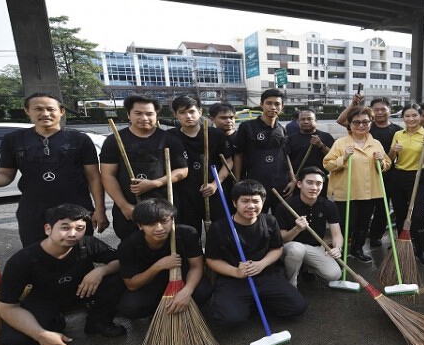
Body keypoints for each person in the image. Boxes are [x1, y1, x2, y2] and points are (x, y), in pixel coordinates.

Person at [0, 93, 108, 247]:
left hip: (77, 207)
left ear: (61, 111)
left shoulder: (79, 139)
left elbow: (94, 177)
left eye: (50, 109)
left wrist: (99, 210)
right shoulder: (13, 140)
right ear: (27, 111)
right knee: (36, 254)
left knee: (79, 255)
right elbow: (5, 174)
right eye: (38, 109)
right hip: (33, 210)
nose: (45, 114)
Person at [0, 204, 125, 345]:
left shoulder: (88, 244)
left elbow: (120, 260)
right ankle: (52, 324)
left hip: (81, 292)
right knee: (14, 341)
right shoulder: (22, 260)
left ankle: (98, 322)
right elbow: (7, 307)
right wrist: (41, 334)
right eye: (65, 228)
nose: (72, 234)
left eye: (79, 228)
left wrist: (102, 270)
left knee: (119, 277)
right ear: (48, 229)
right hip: (44, 301)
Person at [205, 179, 306, 327]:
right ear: (234, 203)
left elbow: (277, 248)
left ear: (263, 203)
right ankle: (245, 303)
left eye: (255, 201)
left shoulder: (269, 221)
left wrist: (262, 264)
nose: (251, 206)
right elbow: (212, 260)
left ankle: (258, 300)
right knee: (229, 319)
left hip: (266, 274)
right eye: (245, 201)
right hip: (234, 279)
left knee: (297, 307)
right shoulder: (219, 227)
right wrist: (235, 272)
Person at [99, 95, 188, 240]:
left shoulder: (169, 139)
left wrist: (155, 183)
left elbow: (183, 170)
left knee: (168, 244)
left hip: (164, 206)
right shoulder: (114, 140)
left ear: (156, 115)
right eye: (138, 113)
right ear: (128, 114)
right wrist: (123, 205)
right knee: (132, 246)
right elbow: (108, 175)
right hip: (129, 205)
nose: (144, 118)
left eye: (149, 113)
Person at [117, 198, 213, 319]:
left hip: (182, 278)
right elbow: (131, 284)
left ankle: (184, 308)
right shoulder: (128, 245)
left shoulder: (187, 233)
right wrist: (158, 266)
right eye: (151, 224)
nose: (159, 228)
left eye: (164, 221)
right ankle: (159, 314)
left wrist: (186, 291)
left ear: (172, 219)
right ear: (140, 225)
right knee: (130, 307)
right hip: (151, 284)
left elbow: (196, 267)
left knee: (203, 291)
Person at [324, 106, 391, 263]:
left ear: (370, 122)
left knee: (363, 224)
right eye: (356, 122)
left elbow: (386, 165)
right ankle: (340, 251)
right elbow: (328, 164)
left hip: (370, 192)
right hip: (347, 192)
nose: (361, 125)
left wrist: (381, 161)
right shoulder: (340, 143)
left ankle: (357, 249)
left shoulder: (375, 143)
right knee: (345, 225)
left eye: (365, 122)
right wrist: (344, 158)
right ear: (349, 124)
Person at [336, 96, 400, 247]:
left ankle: (375, 236)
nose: (380, 112)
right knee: (362, 211)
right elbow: (341, 120)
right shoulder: (363, 126)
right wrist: (353, 104)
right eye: (376, 109)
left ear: (390, 110)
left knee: (383, 208)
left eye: (383, 109)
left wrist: (387, 157)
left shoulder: (397, 130)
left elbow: (392, 159)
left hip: (386, 174)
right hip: (363, 176)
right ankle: (351, 241)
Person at [166, 95, 232, 238]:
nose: (188, 116)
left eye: (191, 111)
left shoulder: (215, 134)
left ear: (200, 112)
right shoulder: (170, 136)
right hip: (185, 194)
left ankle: (215, 259)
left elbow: (229, 162)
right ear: (175, 114)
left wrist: (215, 184)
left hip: (214, 192)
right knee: (189, 233)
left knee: (219, 233)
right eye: (182, 112)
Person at [275, 166, 343, 287]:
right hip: (290, 247)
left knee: (334, 274)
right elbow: (282, 238)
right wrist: (297, 229)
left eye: (319, 184)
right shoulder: (285, 206)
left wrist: (338, 248)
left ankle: (305, 266)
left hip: (315, 248)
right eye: (309, 183)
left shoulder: (328, 205)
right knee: (297, 250)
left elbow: (337, 234)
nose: (314, 188)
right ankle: (291, 284)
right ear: (299, 184)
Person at [387, 104, 424, 267]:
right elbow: (390, 159)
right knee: (401, 214)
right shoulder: (397, 134)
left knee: (417, 216)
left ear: (420, 116)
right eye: (407, 116)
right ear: (403, 118)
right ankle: (404, 245)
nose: (411, 119)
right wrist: (394, 150)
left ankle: (421, 251)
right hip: (399, 176)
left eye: (415, 115)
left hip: (418, 176)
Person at [232, 89, 296, 213]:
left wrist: (292, 179)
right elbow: (238, 155)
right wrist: (238, 181)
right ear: (261, 104)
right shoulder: (247, 127)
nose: (273, 107)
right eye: (269, 103)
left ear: (282, 107)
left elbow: (285, 154)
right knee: (257, 219)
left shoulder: (282, 129)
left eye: (277, 104)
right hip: (256, 184)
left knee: (280, 221)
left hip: (281, 184)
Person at [287, 108, 334, 193]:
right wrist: (292, 179)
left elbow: (334, 157)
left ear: (316, 121)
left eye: (309, 119)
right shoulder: (290, 139)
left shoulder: (326, 137)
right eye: (302, 119)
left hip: (320, 181)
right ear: (298, 122)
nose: (306, 122)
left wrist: (321, 145)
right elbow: (286, 161)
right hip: (298, 182)